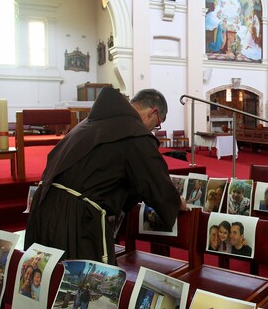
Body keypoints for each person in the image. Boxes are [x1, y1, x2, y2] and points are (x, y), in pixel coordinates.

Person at [25, 88, 186, 265]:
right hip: (75, 221)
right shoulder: (134, 132)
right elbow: (155, 183)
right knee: (82, 287)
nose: (153, 130)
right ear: (153, 112)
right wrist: (176, 202)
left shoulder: (87, 124)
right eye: (157, 125)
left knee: (49, 280)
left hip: (42, 210)